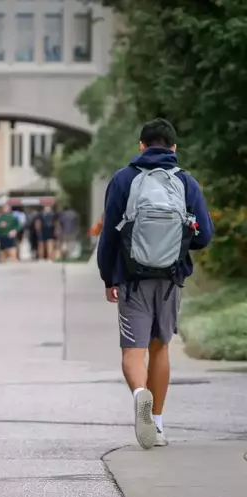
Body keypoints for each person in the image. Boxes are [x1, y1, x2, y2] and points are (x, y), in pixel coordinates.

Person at [97, 118, 213, 450]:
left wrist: (109, 276)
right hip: (171, 278)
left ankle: (139, 394)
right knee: (160, 347)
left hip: (132, 278)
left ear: (141, 147)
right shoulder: (187, 183)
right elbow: (203, 236)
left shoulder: (123, 179)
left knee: (132, 352)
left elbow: (108, 237)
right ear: (174, 148)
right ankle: (158, 424)